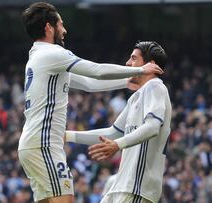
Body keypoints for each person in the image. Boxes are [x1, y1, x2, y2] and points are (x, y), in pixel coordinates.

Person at [18, 2, 163, 202]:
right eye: (61, 24)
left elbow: (89, 84)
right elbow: (97, 70)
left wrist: (126, 81)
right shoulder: (53, 53)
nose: (64, 29)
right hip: (44, 143)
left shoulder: (38, 57)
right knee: (65, 199)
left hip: (35, 143)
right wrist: (140, 70)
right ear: (49, 27)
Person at [65, 41, 171, 203]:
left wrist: (117, 145)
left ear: (150, 65)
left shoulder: (155, 87)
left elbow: (152, 127)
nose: (128, 64)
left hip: (138, 187)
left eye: (134, 59)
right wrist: (67, 135)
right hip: (121, 186)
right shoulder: (136, 97)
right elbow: (112, 133)